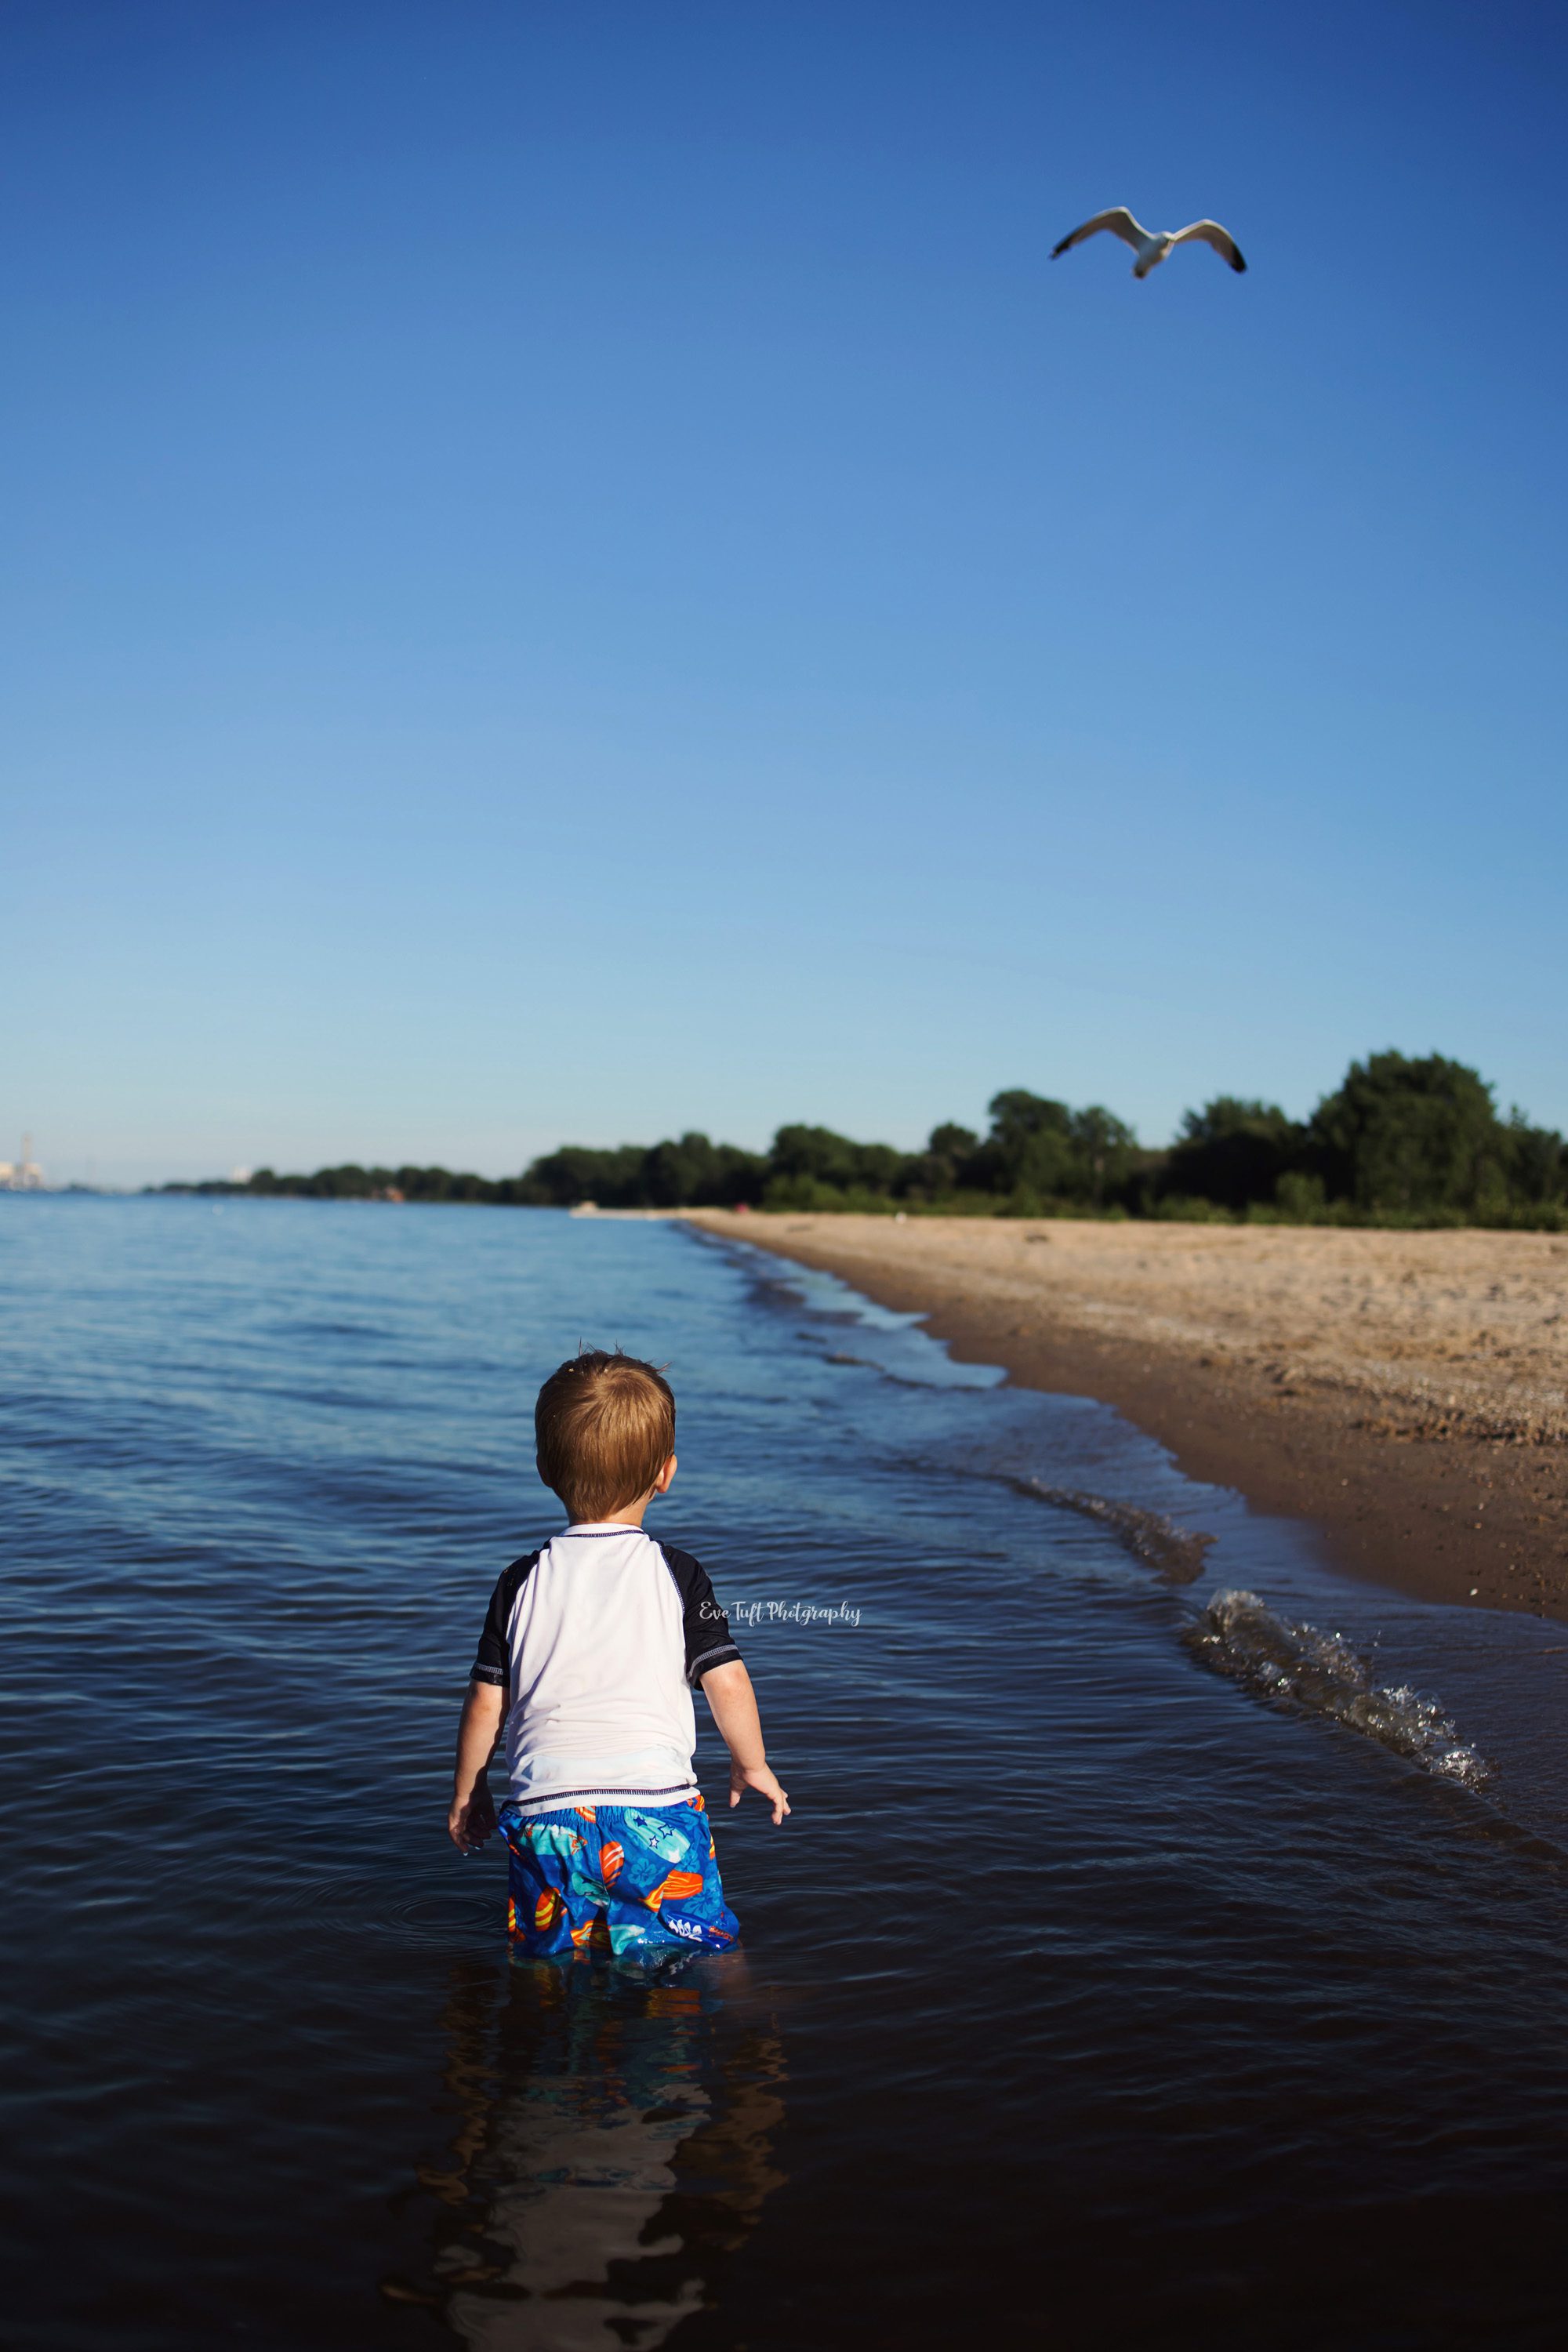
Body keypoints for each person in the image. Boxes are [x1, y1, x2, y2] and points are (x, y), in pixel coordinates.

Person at [447, 1348, 789, 1958]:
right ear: (667, 1473)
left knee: (550, 1963)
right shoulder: (679, 1574)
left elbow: (484, 1702)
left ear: (544, 1470)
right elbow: (726, 1678)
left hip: (545, 1813)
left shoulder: (520, 1581)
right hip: (655, 1811)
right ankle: (746, 2026)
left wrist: (468, 1789)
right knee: (698, 1947)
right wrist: (752, 1763)